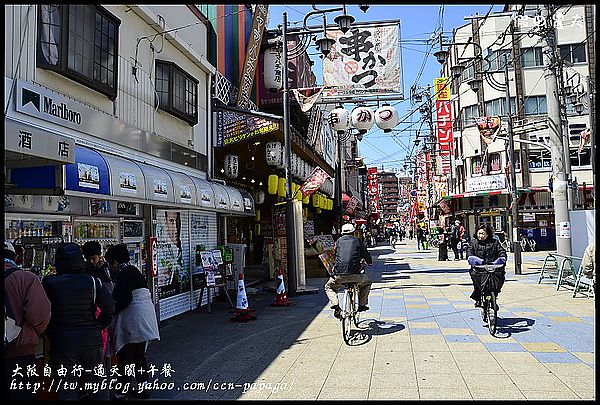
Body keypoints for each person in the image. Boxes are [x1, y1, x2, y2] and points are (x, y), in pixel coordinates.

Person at [42, 242, 114, 400]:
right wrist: (98, 325)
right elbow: (109, 309)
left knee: (67, 388)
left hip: (62, 342)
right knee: (97, 385)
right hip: (91, 340)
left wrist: (48, 330)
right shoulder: (94, 282)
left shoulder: (48, 283)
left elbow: (41, 311)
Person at [105, 243, 160, 400]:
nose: (111, 267)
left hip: (134, 321)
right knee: (139, 355)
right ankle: (144, 388)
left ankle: (122, 391)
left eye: (111, 264)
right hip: (144, 318)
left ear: (115, 262)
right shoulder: (133, 270)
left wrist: (111, 311)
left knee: (126, 356)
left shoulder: (124, 273)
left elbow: (125, 299)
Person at [4, 241, 52, 401]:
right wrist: (34, 332)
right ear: (16, 257)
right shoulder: (27, 279)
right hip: (21, 353)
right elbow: (38, 315)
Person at [324, 224, 373, 319]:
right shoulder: (357, 241)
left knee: (329, 287)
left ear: (342, 232)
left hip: (339, 275)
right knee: (367, 283)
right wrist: (369, 262)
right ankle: (362, 304)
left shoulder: (338, 242)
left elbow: (335, 254)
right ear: (353, 232)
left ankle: (335, 305)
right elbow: (366, 255)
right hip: (355, 274)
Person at [466, 225, 507, 308]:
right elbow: (469, 252)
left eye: (483, 234)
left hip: (493, 267)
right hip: (479, 269)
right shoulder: (473, 243)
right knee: (478, 284)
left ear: (488, 234)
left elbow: (501, 251)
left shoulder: (495, 242)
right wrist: (474, 260)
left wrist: (501, 258)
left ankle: (493, 298)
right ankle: (478, 299)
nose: (480, 236)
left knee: (497, 282)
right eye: (479, 233)